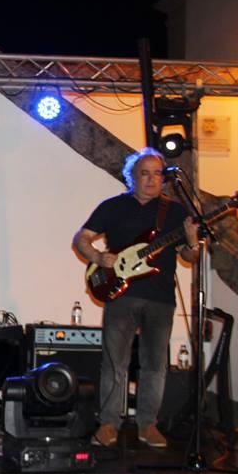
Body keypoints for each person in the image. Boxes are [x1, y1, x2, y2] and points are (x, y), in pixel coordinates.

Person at [73, 147, 200, 448]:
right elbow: (82, 237)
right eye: (145, 173)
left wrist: (192, 240)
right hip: (121, 294)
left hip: (160, 297)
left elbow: (188, 256)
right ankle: (108, 424)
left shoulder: (176, 212)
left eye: (157, 174)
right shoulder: (113, 207)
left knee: (154, 364)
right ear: (132, 177)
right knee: (114, 363)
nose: (152, 180)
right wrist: (98, 257)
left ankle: (148, 425)